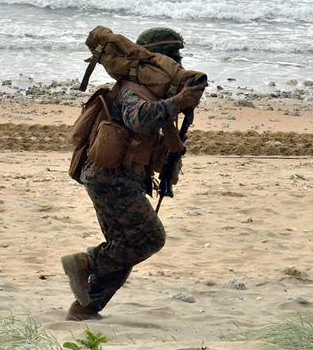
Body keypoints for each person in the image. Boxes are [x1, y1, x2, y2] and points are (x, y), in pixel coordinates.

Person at [61, 27, 205, 320]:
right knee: (150, 238)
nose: (176, 65)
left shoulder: (151, 91)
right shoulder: (132, 90)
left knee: (124, 248)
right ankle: (85, 263)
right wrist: (177, 103)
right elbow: (139, 119)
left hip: (116, 177)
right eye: (172, 58)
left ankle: (85, 308)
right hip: (110, 179)